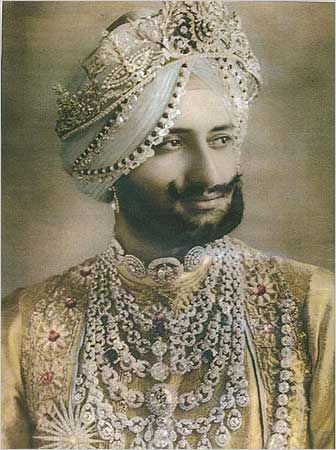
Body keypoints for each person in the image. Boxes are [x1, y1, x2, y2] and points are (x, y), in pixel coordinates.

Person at [2, 2, 333, 449]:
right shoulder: (25, 325)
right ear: (112, 164)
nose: (210, 174)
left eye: (221, 139)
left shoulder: (313, 308)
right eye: (171, 143)